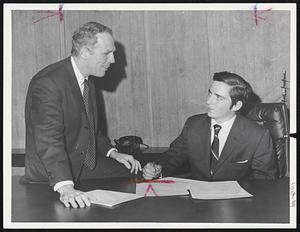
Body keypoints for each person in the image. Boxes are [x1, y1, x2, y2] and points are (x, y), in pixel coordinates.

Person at [21, 22, 142, 208]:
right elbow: (48, 139)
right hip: (52, 173)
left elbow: (89, 130)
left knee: (134, 172)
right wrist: (65, 187)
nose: (113, 60)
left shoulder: (87, 80)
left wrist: (114, 153)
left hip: (80, 163)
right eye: (106, 54)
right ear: (85, 52)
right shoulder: (47, 83)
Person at [143, 71, 277, 181]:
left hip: (237, 204)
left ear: (236, 105)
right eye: (210, 93)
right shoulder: (193, 125)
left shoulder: (257, 135)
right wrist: (157, 169)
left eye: (218, 97)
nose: (208, 101)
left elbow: (265, 178)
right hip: (197, 204)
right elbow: (174, 156)